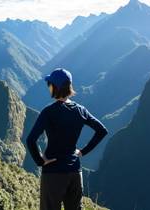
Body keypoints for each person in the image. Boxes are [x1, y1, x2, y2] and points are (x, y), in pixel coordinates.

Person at [26, 68, 108, 210]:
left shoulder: (49, 112)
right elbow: (101, 131)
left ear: (55, 87)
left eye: (49, 84)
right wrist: (82, 152)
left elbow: (31, 140)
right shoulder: (80, 110)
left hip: (53, 173)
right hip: (75, 172)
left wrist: (40, 161)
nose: (48, 87)